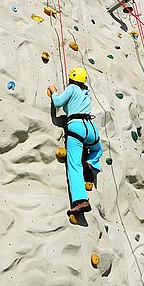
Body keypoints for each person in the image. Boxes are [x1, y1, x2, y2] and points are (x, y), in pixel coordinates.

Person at [47, 66, 103, 215]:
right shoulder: (86, 92)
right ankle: (91, 163)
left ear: (71, 78)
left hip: (76, 127)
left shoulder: (71, 88)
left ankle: (81, 200)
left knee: (74, 165)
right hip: (91, 128)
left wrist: (53, 92)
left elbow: (58, 103)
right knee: (98, 149)